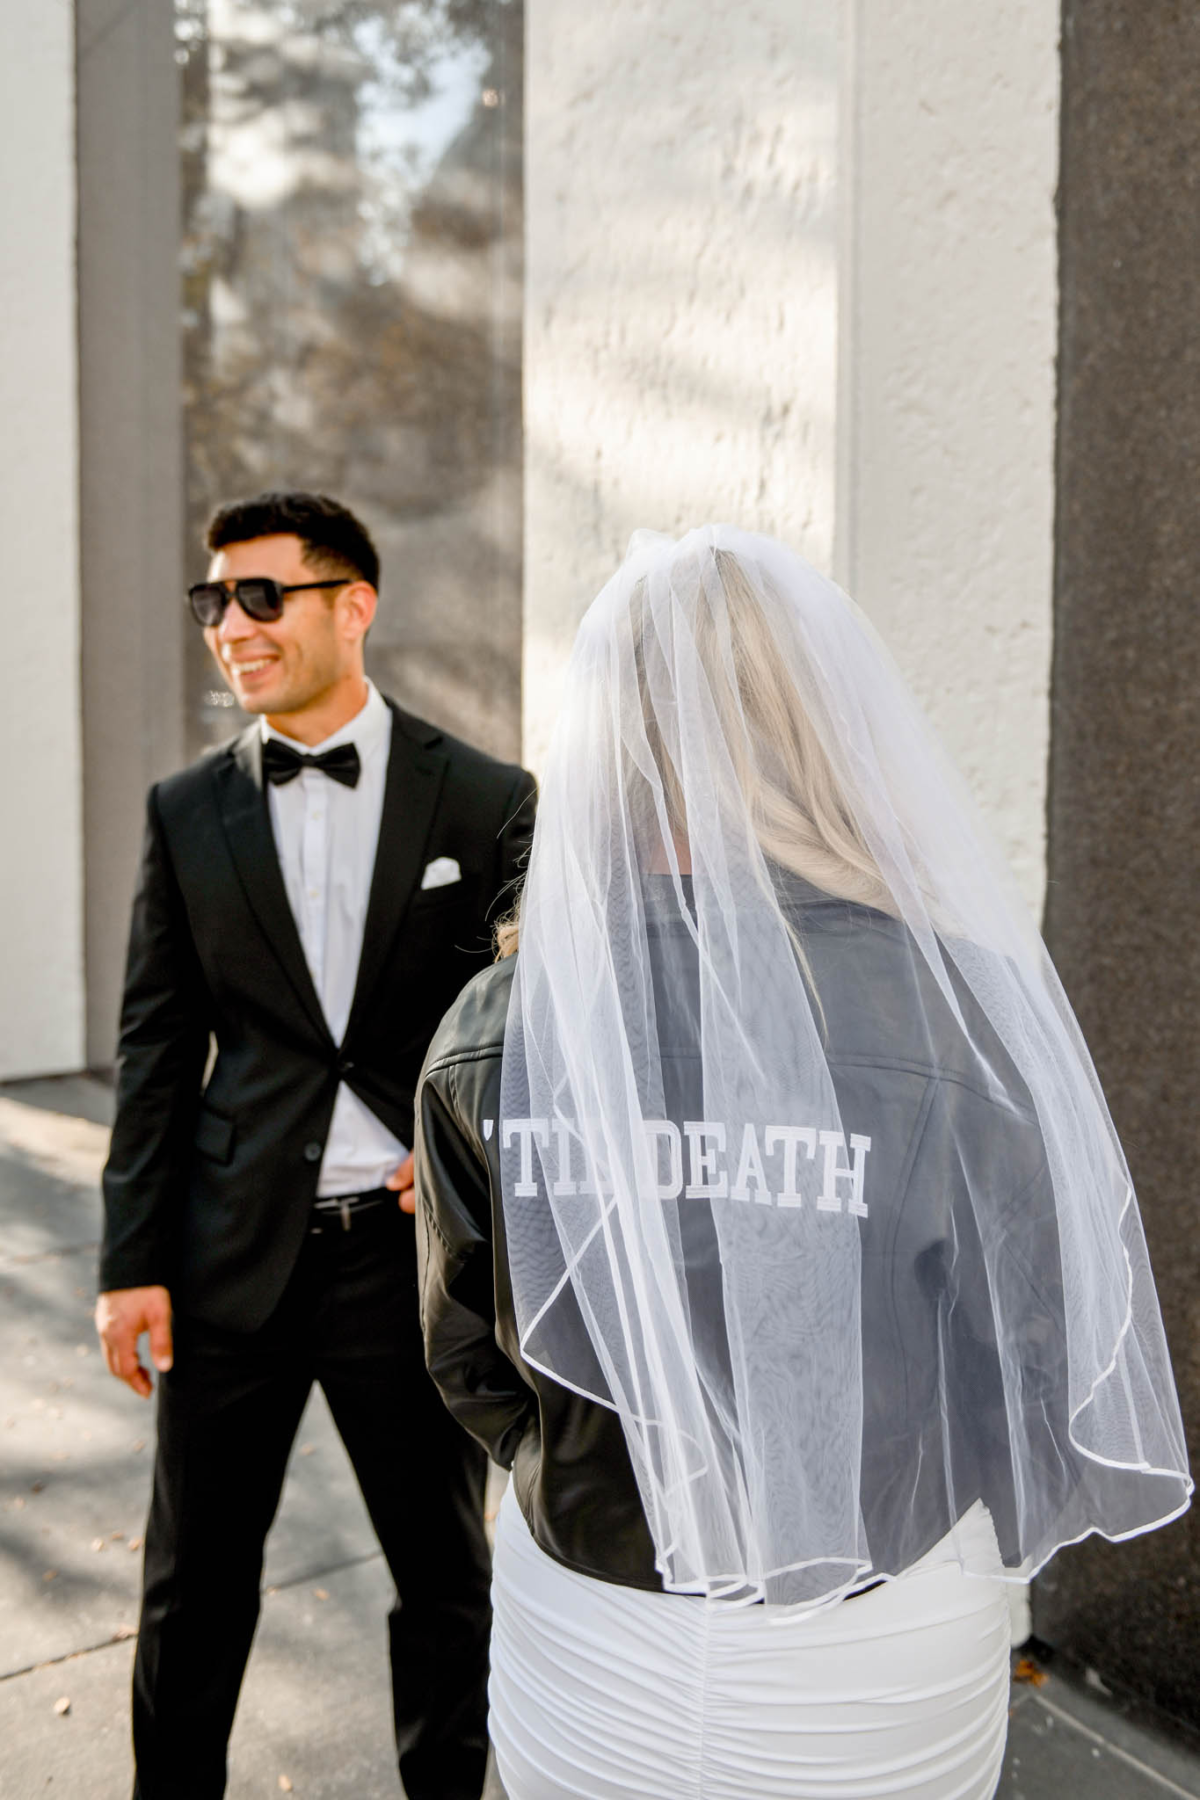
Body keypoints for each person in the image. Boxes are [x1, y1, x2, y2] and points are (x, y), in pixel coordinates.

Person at [413, 525, 1191, 1800]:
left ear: (603, 746)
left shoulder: (498, 1025)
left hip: (596, 1619)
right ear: (824, 728)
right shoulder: (968, 1014)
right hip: (878, 1643)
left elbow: (472, 1359)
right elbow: (1039, 1362)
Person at [95, 490, 536, 1800]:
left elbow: (539, 1019)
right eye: (215, 601)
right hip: (233, 1257)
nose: (231, 625)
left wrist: (473, 1157)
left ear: (356, 606)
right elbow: (156, 1047)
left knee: (445, 1581)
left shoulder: (488, 799)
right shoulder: (185, 812)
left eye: (261, 596)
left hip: (408, 1267)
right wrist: (131, 1262)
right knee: (192, 1590)